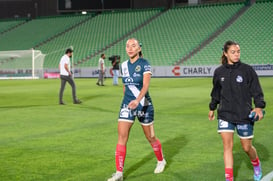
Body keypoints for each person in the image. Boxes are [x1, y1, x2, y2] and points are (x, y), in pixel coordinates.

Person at [107, 38, 166, 181]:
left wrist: (137, 101)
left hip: (144, 105)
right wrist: (127, 102)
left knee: (150, 137)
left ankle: (161, 160)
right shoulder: (123, 65)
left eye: (133, 46)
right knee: (122, 137)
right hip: (127, 105)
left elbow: (145, 85)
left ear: (139, 48)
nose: (130, 48)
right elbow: (125, 86)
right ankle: (119, 173)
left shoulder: (145, 64)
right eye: (127, 46)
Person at [208, 40, 266, 181]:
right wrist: (212, 107)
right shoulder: (219, 72)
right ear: (225, 53)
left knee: (246, 148)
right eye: (233, 52)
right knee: (227, 146)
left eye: (238, 51)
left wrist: (259, 106)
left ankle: (256, 164)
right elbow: (216, 92)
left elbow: (256, 90)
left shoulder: (247, 70)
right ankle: (229, 178)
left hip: (243, 115)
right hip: (225, 114)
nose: (236, 54)